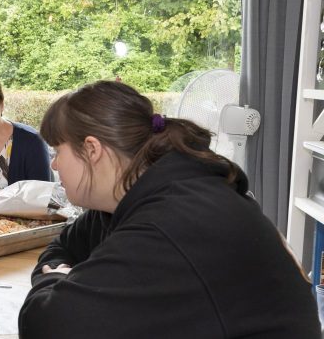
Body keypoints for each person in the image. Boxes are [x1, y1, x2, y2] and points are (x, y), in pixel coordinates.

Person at [18, 80, 319, 338]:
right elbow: (61, 247)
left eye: (58, 151)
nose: (54, 164)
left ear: (93, 150)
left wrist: (54, 279)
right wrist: (63, 276)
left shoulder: (175, 222)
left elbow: (47, 326)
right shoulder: (133, 198)